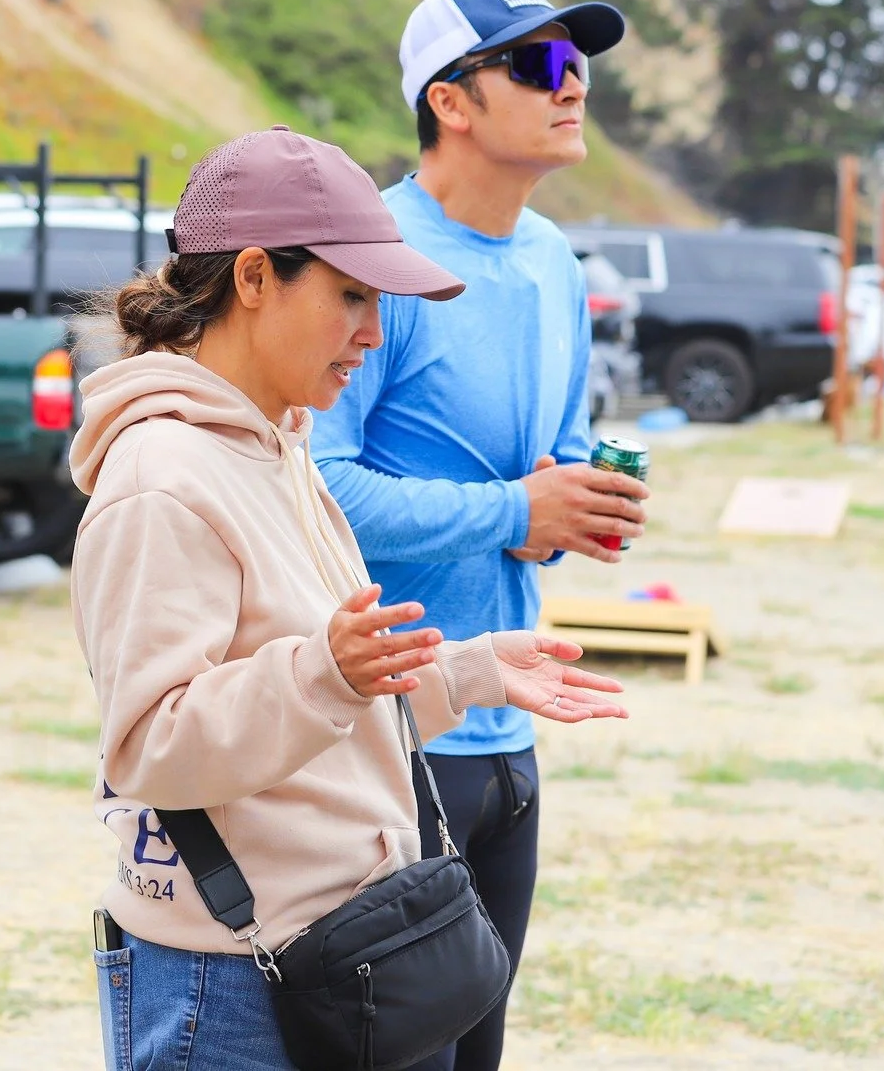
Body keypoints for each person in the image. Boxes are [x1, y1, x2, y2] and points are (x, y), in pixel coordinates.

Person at [73, 126, 627, 1070]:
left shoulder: (278, 444)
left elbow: (326, 689)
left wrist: (470, 668)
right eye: (352, 296)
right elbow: (150, 747)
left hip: (328, 944)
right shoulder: (163, 474)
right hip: (229, 978)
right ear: (253, 277)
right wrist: (327, 672)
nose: (373, 331)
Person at [309, 0, 651, 1071]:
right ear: (448, 103)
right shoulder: (374, 260)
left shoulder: (552, 259)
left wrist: (567, 509)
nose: (572, 87)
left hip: (509, 731)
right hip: (392, 733)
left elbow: (545, 463)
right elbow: (318, 492)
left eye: (578, 64)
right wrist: (513, 509)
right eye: (541, 65)